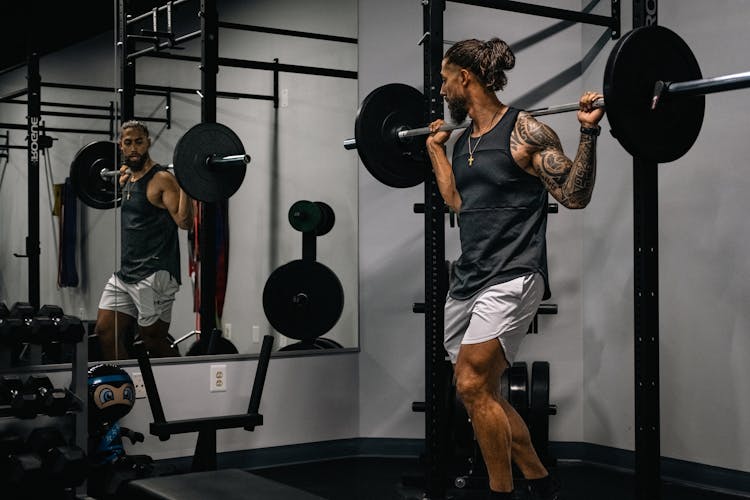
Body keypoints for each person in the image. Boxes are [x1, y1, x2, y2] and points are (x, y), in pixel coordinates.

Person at [425, 38, 604, 500]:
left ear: (465, 78)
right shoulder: (466, 140)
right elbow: (457, 203)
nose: (442, 89)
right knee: (480, 393)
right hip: (469, 279)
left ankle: (499, 493)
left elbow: (574, 194)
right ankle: (542, 484)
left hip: (514, 274)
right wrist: (435, 152)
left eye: (446, 79)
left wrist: (587, 132)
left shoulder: (525, 131)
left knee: (468, 382)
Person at [94, 120, 193, 360]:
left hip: (154, 273)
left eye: (139, 141)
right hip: (127, 273)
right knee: (105, 332)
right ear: (121, 146)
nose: (134, 148)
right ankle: (130, 388)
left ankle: (183, 383)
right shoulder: (128, 177)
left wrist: (189, 184)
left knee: (153, 340)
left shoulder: (161, 179)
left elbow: (184, 222)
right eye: (128, 143)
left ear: (148, 142)